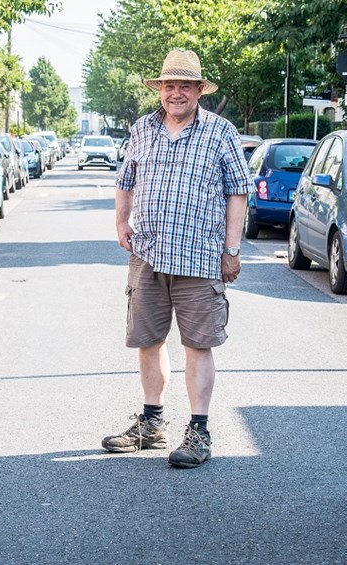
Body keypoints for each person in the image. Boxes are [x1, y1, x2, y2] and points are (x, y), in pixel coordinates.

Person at [102, 49, 251, 468]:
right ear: (160, 89)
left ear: (199, 90)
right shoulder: (142, 129)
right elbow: (125, 181)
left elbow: (237, 192)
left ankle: (199, 432)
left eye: (185, 85)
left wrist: (232, 249)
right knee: (147, 341)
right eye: (170, 85)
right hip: (147, 252)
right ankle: (152, 424)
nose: (176, 93)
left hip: (201, 257)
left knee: (198, 345)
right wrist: (120, 223)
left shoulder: (220, 132)